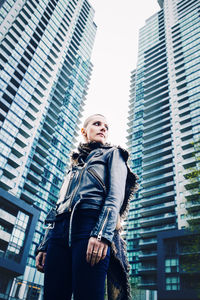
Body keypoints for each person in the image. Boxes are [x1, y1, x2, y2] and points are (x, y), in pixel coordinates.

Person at [36, 114, 138, 300]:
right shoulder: (74, 166)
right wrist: (44, 245)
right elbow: (58, 205)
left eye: (106, 126)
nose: (103, 128)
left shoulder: (114, 153)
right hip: (59, 233)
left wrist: (101, 234)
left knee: (88, 295)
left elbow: (115, 196)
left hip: (90, 227)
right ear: (84, 131)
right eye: (97, 124)